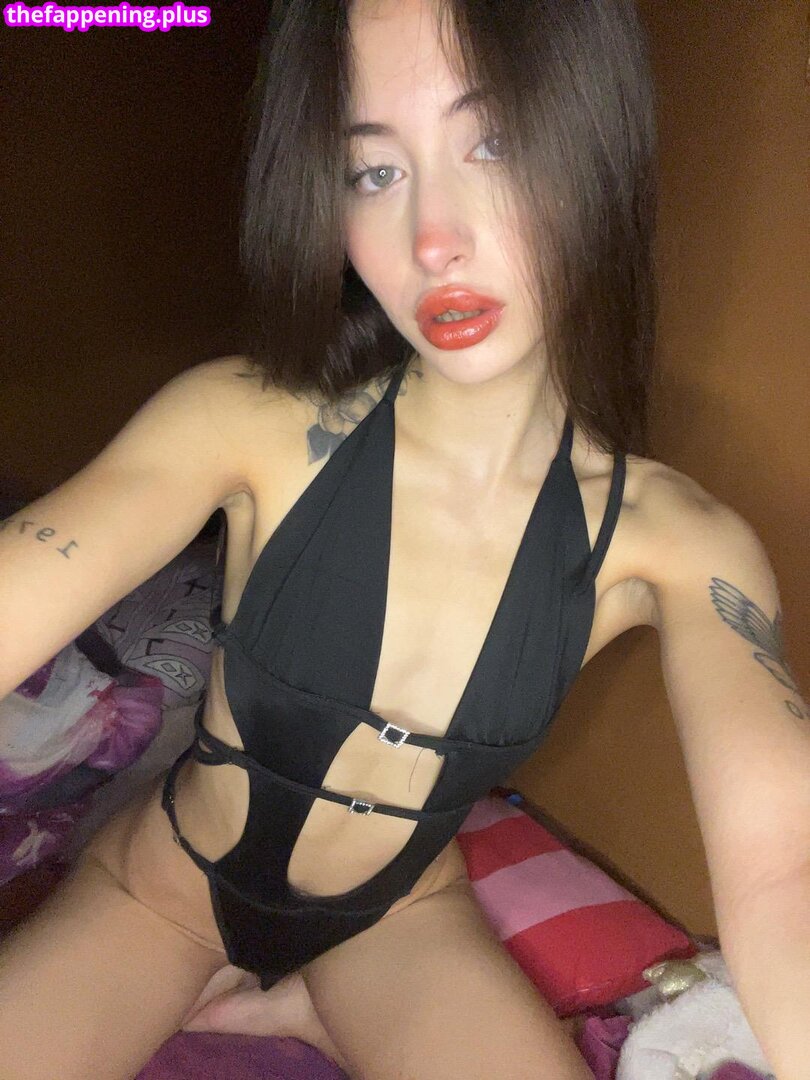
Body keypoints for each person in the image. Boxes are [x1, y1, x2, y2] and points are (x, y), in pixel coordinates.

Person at [1, 1, 807, 1078]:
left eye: (495, 143)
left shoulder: (678, 543)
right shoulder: (244, 421)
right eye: (373, 172)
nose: (433, 241)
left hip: (393, 924)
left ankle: (316, 1007)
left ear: (595, 146)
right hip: (166, 889)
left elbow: (784, 869)